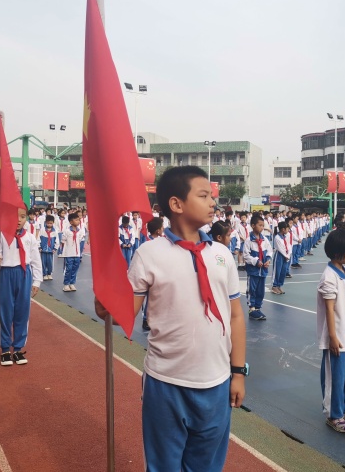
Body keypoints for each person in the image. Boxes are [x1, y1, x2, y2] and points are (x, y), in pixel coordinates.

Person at [95, 165, 245, 472]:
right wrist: (105, 302)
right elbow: (124, 313)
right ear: (176, 204)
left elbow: (236, 317)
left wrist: (238, 372)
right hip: (166, 382)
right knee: (164, 465)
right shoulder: (150, 254)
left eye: (211, 196)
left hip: (216, 382)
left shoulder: (221, 255)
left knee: (206, 464)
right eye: (203, 196)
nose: (212, 202)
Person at [316, 228, 345, 434]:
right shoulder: (329, 277)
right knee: (336, 378)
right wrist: (332, 337)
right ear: (337, 252)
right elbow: (330, 309)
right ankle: (334, 414)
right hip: (338, 338)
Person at [0, 207, 42, 366]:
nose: (19, 220)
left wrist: (37, 281)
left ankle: (18, 348)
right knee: (5, 311)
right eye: (15, 216)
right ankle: (5, 349)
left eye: (22, 216)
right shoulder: (0, 236)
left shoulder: (30, 238)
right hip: (6, 274)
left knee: (22, 312)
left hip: (24, 274)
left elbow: (36, 260)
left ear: (27, 218)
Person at [244, 213, 272, 320]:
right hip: (253, 270)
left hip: (263, 270)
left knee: (261, 291)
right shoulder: (248, 240)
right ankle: (252, 309)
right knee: (252, 289)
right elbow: (246, 255)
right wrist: (256, 261)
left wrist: (268, 260)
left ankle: (258, 308)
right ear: (253, 225)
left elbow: (269, 250)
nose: (262, 227)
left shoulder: (264, 239)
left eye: (263, 225)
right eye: (260, 225)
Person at [61, 211, 84, 292]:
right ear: (71, 222)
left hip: (77, 254)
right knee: (68, 269)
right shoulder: (67, 231)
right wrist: (65, 251)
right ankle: (66, 284)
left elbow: (80, 240)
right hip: (69, 254)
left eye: (78, 220)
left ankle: (72, 283)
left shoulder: (80, 231)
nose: (78, 221)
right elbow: (63, 241)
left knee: (75, 268)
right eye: (76, 220)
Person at [271, 221, 291, 295]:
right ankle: (274, 286)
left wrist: (288, 255)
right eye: (287, 229)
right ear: (283, 229)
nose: (288, 230)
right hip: (279, 255)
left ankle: (279, 285)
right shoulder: (277, 237)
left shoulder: (286, 236)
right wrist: (286, 255)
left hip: (286, 255)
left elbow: (289, 246)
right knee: (277, 271)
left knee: (283, 271)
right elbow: (280, 248)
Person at [39, 215, 59, 281]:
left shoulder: (55, 231)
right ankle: (44, 274)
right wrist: (39, 247)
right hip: (43, 250)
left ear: (53, 223)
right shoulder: (42, 230)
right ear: (45, 222)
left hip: (51, 250)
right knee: (43, 262)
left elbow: (57, 241)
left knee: (50, 263)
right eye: (48, 223)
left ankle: (49, 273)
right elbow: (38, 239)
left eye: (51, 223)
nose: (49, 224)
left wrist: (55, 248)